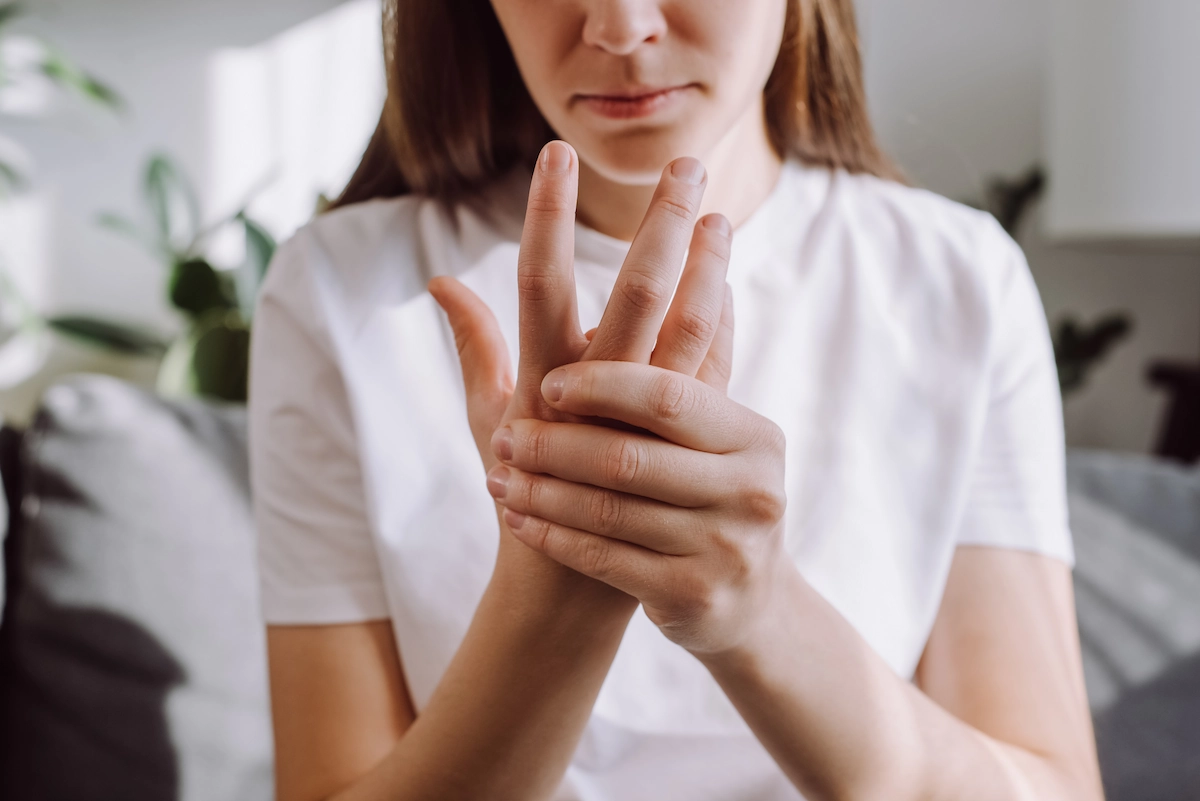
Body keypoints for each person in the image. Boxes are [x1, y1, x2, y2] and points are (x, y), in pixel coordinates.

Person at [248, 1, 1106, 799]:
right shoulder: (340, 290)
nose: (620, 28)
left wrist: (756, 608)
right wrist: (553, 598)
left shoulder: (958, 282)